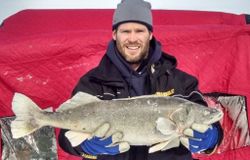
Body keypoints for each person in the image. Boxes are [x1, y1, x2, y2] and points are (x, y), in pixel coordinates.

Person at [58, 0, 223, 159]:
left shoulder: (181, 81)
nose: (132, 38)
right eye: (125, 31)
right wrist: (86, 147)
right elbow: (65, 137)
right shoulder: (92, 82)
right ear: (115, 34)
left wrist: (212, 138)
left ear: (150, 34)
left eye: (139, 31)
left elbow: (207, 120)